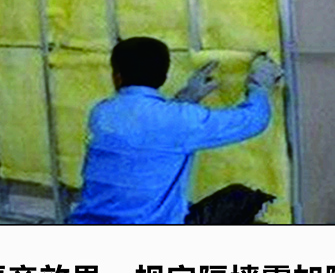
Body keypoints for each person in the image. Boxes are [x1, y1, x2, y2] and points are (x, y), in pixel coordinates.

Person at [68, 37, 283, 225]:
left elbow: (146, 129)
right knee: (241, 198)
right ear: (164, 76)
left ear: (117, 75)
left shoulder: (101, 113)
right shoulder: (179, 120)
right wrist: (259, 86)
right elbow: (253, 120)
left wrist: (186, 99)